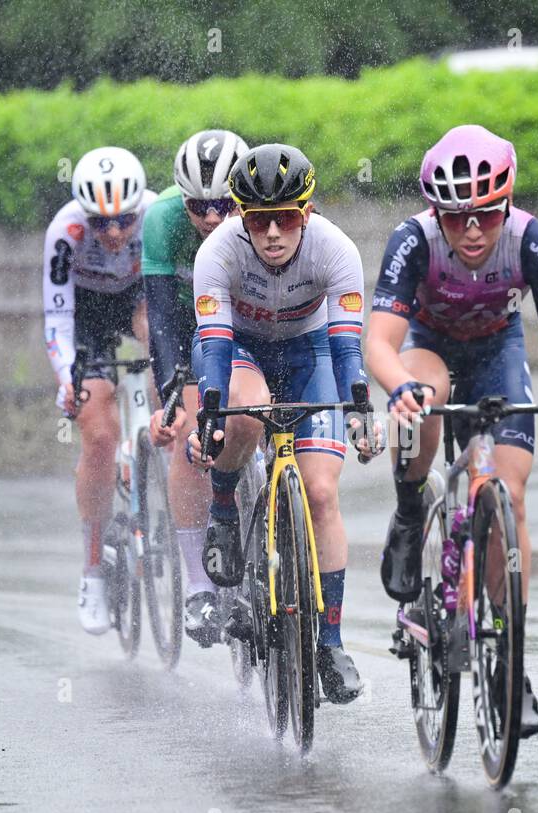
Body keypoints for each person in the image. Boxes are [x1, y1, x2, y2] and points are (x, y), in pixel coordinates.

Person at [363, 124, 538, 736]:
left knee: (511, 496)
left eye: (486, 216)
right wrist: (400, 389)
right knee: (425, 395)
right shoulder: (411, 241)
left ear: (507, 205)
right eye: (455, 216)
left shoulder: (533, 242)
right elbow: (379, 343)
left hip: (497, 353)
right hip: (429, 349)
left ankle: (509, 666)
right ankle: (411, 512)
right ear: (435, 212)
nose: (471, 231)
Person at [186, 143, 378, 703]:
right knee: (247, 410)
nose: (273, 233)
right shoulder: (217, 254)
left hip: (310, 352)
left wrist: (360, 410)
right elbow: (216, 350)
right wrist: (212, 416)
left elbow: (346, 350)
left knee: (321, 492)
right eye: (260, 220)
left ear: (307, 214)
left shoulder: (335, 250)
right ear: (242, 218)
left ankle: (332, 644)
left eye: (287, 218)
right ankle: (224, 504)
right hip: (239, 351)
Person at [141, 129, 248, 645]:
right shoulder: (161, 220)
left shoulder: (264, 214)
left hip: (247, 324)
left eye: (224, 205)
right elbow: (159, 314)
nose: (210, 218)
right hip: (187, 328)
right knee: (191, 438)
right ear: (181, 199)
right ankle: (199, 590)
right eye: (198, 206)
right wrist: (170, 395)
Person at [43, 146, 154, 634]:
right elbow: (57, 317)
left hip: (138, 302)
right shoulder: (65, 233)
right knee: (100, 435)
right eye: (100, 222)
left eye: (123, 220)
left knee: (159, 349)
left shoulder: (157, 218)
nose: (112, 232)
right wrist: (67, 377)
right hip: (86, 315)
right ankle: (92, 570)